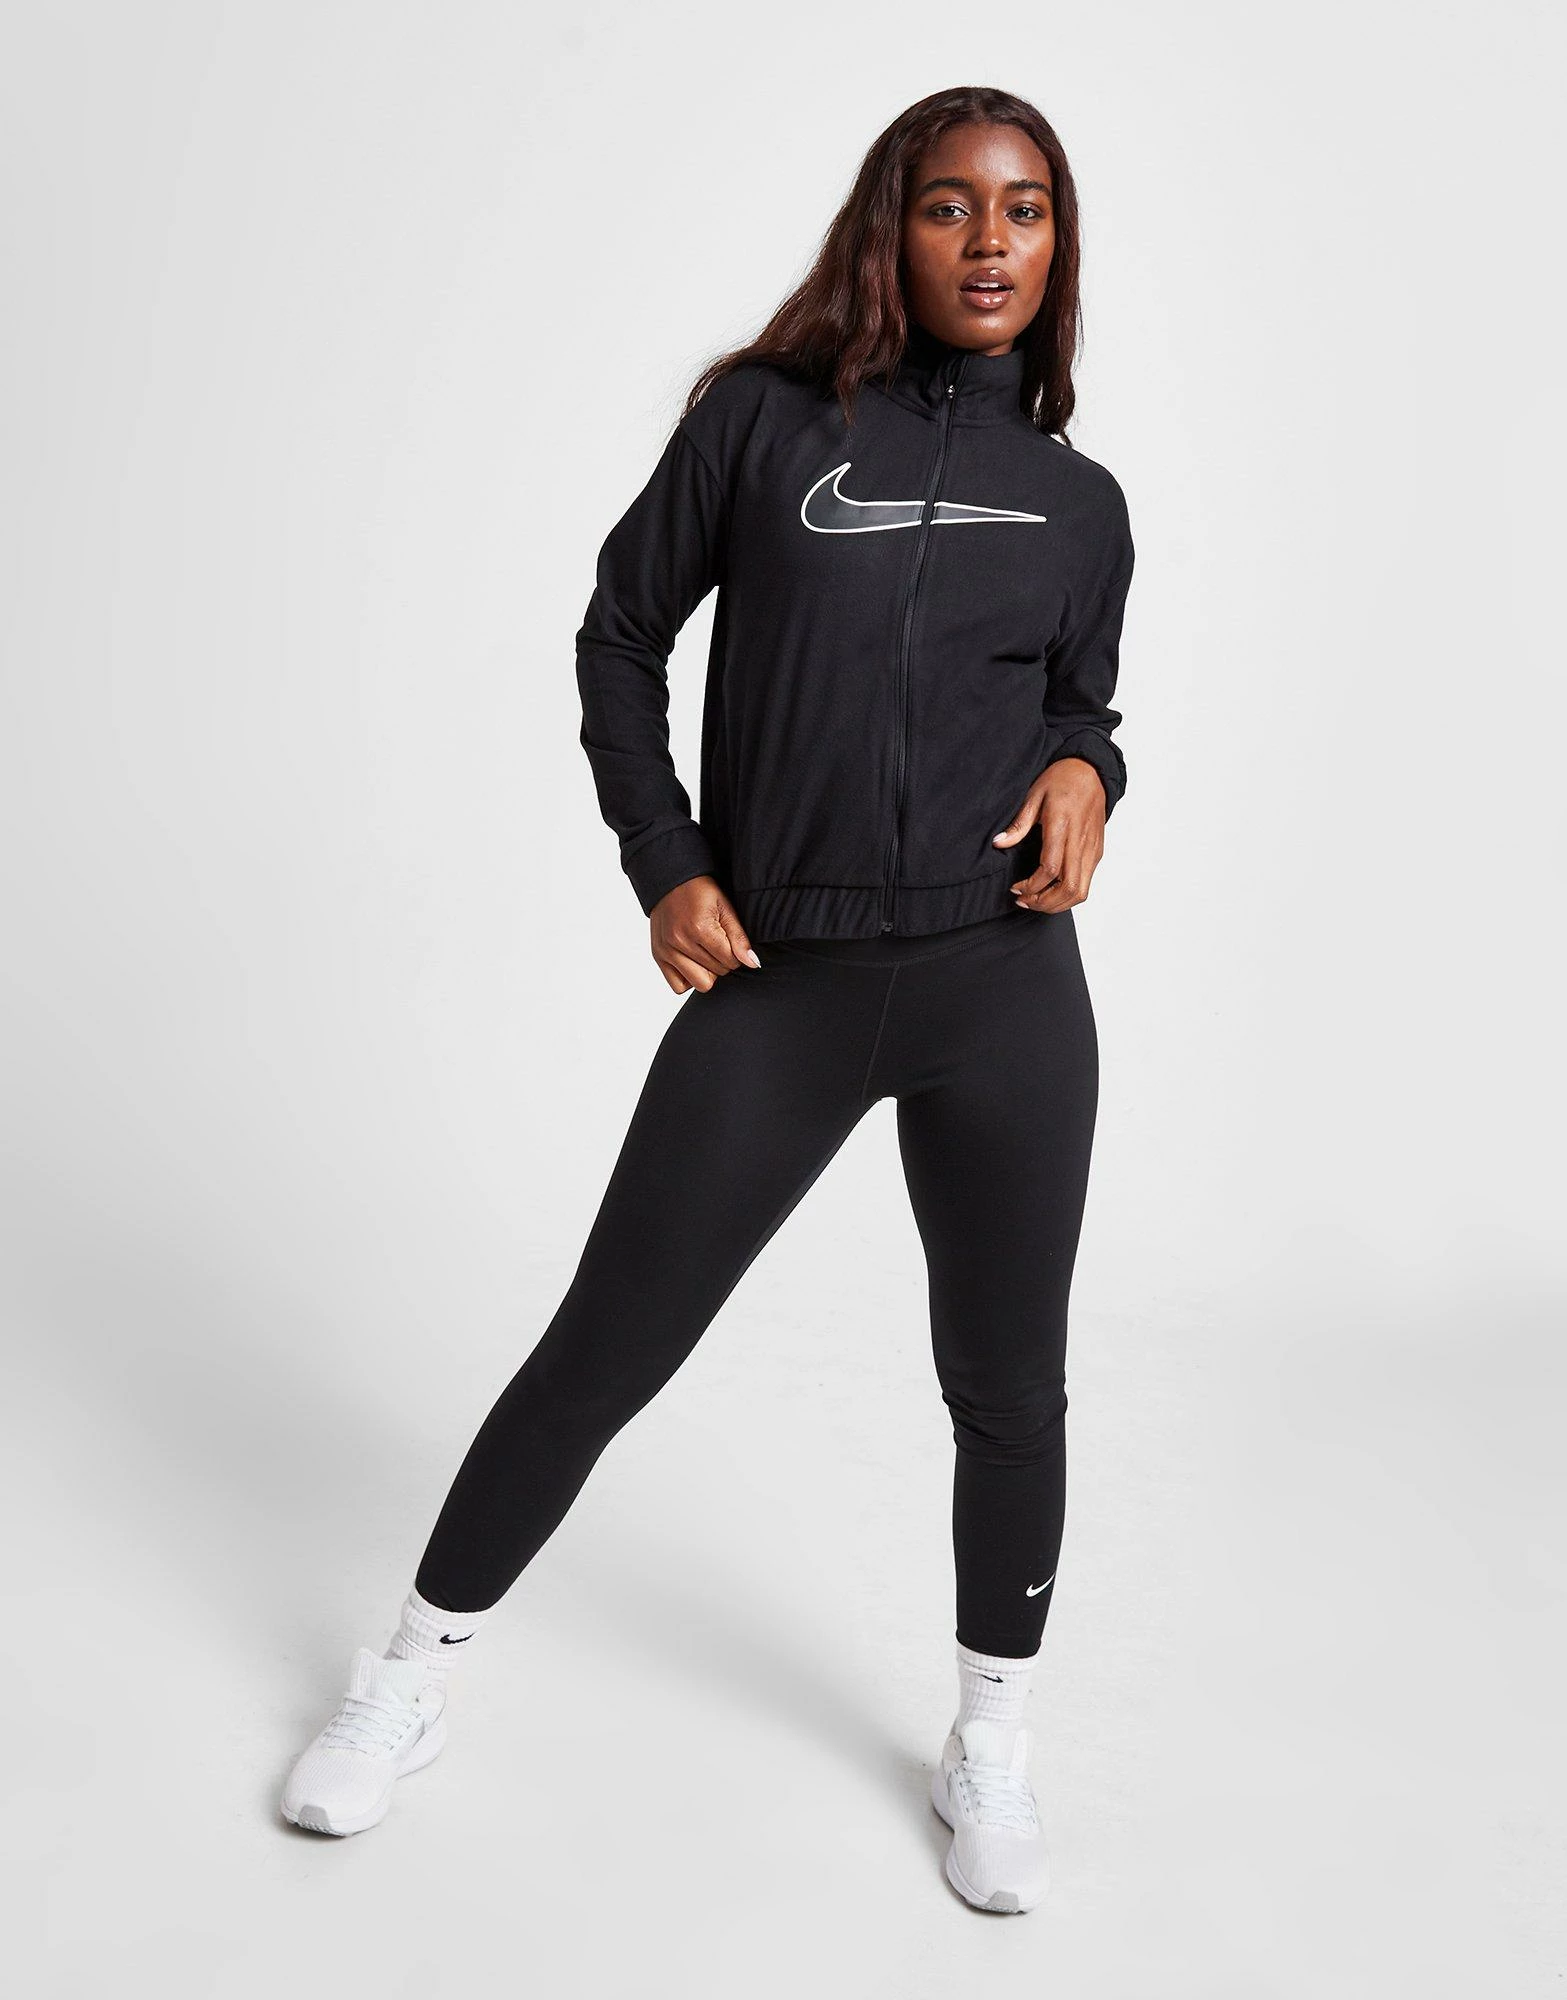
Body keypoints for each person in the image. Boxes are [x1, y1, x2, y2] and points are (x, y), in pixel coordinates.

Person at [280, 82, 1135, 1917]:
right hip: (787, 980)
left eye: (1025, 209)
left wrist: (1091, 770)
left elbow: (1080, 705)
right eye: (950, 205)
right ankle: (408, 1673)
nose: (989, 240)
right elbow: (618, 631)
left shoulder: (1080, 502)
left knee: (1008, 1386)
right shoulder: (762, 423)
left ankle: (989, 1738)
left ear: (1057, 246)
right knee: (608, 1345)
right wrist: (664, 860)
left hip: (1001, 989)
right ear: (891, 228)